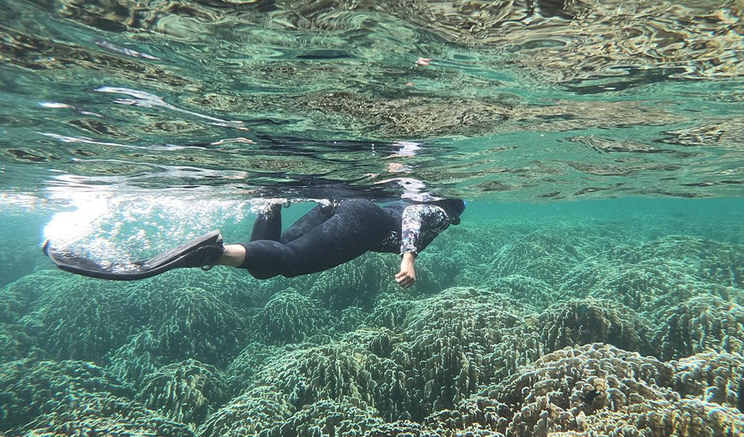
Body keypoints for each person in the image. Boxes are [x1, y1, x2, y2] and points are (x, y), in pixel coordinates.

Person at [45, 198, 466, 288]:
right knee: (294, 261)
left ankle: (269, 199)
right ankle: (208, 252)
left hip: (345, 206)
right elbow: (413, 216)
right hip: (365, 219)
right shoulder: (437, 209)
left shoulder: (405, 193)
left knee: (267, 264)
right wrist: (409, 256)